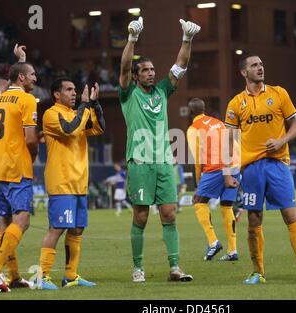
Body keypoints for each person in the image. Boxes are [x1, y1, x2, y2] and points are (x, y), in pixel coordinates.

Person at [224, 54, 296, 284]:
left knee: (290, 215)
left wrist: (281, 141)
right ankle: (258, 272)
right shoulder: (236, 103)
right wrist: (227, 172)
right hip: (252, 169)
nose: (260, 67)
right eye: (254, 65)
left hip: (278, 164)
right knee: (254, 220)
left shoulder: (279, 93)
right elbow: (228, 140)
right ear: (244, 72)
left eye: (261, 64)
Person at [119, 16, 200, 282]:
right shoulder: (128, 93)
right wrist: (132, 39)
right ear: (136, 75)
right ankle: (137, 268)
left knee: (169, 213)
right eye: (145, 70)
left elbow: (180, 66)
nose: (152, 73)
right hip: (140, 163)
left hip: (165, 161)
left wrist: (186, 39)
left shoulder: (163, 91)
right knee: (141, 216)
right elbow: (123, 68)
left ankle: (175, 268)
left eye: (153, 69)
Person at [37, 78, 105, 290]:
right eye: (68, 89)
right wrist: (84, 107)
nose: (73, 93)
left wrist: (94, 103)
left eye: (75, 90)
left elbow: (98, 128)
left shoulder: (78, 113)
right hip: (61, 181)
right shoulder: (51, 114)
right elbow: (69, 130)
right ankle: (42, 276)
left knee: (76, 229)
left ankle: (71, 275)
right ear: (57, 94)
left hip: (79, 181)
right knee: (56, 228)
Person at [0, 58, 39, 292]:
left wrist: (19, 62)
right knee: (22, 220)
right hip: (17, 167)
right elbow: (31, 138)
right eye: (32, 74)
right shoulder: (27, 100)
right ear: (22, 78)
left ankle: (13, 277)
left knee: (5, 224)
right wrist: (32, 156)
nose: (36, 78)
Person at [186, 98, 239, 261]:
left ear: (190, 113)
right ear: (204, 109)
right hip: (235, 164)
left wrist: (197, 183)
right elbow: (232, 143)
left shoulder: (193, 128)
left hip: (216, 167)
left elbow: (197, 160)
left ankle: (213, 241)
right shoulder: (218, 122)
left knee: (198, 201)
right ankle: (232, 250)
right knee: (226, 207)